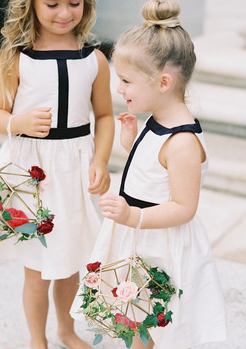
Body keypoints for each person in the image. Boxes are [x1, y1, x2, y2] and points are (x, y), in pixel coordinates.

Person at [80, 1, 227, 348]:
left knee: (162, 323)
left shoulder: (183, 143)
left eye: (127, 81)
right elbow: (157, 175)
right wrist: (133, 146)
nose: (120, 89)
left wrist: (133, 215)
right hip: (139, 235)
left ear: (163, 81)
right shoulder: (158, 120)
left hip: (160, 241)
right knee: (136, 318)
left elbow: (183, 206)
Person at [0, 0, 114, 348]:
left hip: (75, 171)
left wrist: (100, 160)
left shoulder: (94, 60)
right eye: (52, 3)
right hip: (33, 174)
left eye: (74, 3)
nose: (65, 13)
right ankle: (37, 340)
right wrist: (17, 122)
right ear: (31, 5)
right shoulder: (17, 56)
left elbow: (104, 116)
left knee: (70, 262)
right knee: (38, 269)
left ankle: (66, 331)